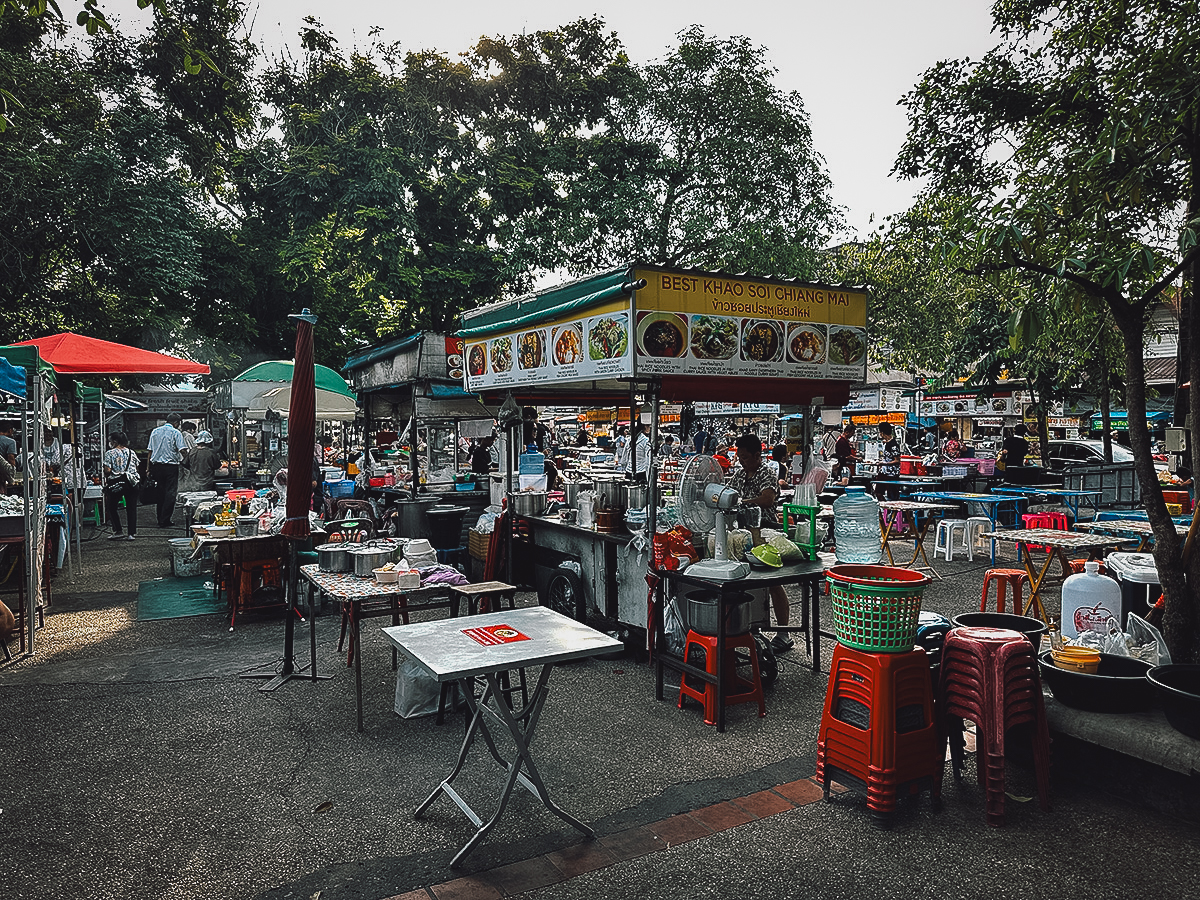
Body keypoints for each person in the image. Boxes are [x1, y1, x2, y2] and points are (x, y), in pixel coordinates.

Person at [727, 433, 792, 654]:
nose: (741, 461)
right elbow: (727, 493)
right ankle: (750, 628)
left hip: (765, 532)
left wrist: (742, 501)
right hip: (741, 534)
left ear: (757, 455)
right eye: (740, 457)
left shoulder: (767, 473)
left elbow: (767, 500)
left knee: (773, 583)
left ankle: (783, 633)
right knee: (743, 580)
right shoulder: (739, 475)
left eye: (745, 457)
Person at [148, 413, 188, 528]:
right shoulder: (176, 433)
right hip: (170, 467)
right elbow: (182, 450)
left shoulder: (155, 431)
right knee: (170, 494)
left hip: (156, 467)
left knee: (160, 493)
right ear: (176, 423)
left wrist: (148, 468)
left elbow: (150, 451)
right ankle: (165, 520)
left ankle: (160, 517)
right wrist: (188, 461)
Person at [103, 431, 139, 540]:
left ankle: (118, 530)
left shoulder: (110, 453)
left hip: (116, 483)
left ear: (114, 441)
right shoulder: (131, 452)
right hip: (131, 483)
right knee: (131, 508)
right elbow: (136, 468)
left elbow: (107, 470)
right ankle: (131, 533)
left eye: (110, 441)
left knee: (111, 507)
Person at [876, 422, 901, 500]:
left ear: (882, 433)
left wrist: (884, 463)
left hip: (892, 474)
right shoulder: (886, 444)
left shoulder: (893, 445)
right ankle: (884, 509)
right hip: (884, 472)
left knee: (892, 495)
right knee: (878, 492)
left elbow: (897, 460)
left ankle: (892, 511)